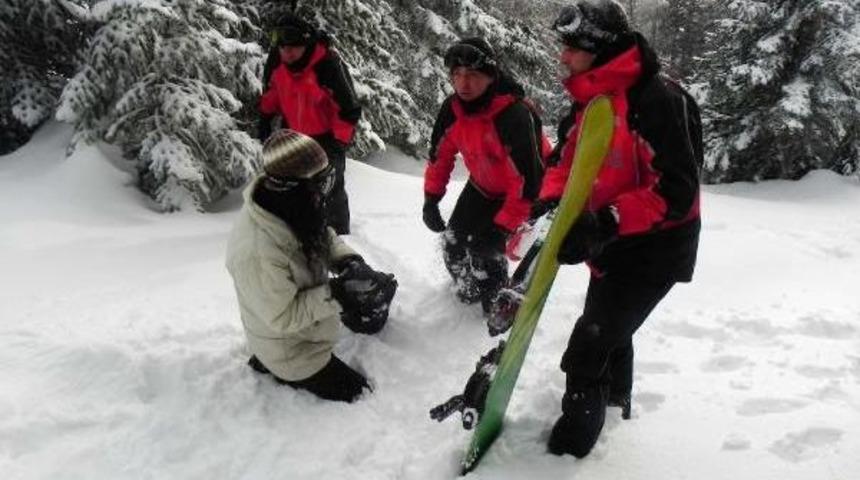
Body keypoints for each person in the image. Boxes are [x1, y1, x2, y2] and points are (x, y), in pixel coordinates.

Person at [539, 0, 702, 458]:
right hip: (609, 242)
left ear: (600, 51)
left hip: (657, 249)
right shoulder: (589, 100)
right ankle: (614, 403)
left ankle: (569, 451)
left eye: (572, 49)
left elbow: (677, 192)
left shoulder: (656, 101)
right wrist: (548, 204)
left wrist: (606, 219)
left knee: (589, 345)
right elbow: (565, 162)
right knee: (611, 329)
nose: (562, 58)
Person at [226, 129, 397, 403]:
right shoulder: (256, 250)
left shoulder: (289, 204)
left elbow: (320, 233)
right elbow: (283, 317)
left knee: (376, 295)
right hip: (291, 351)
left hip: (310, 327)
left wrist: (348, 262)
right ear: (295, 185)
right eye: (319, 183)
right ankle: (272, 367)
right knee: (362, 396)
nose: (324, 191)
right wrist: (338, 294)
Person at [422, 37, 548, 315]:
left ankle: (495, 301)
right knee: (453, 241)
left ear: (491, 77)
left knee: (486, 250)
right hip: (483, 185)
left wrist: (502, 228)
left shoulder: (514, 114)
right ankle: (466, 291)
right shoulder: (452, 109)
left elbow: (527, 182)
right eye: (457, 75)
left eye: (474, 75)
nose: (463, 84)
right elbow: (440, 157)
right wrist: (431, 198)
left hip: (523, 190)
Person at [259, 13, 361, 235]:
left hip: (326, 137)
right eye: (283, 47)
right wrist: (265, 118)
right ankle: (294, 231)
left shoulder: (327, 64)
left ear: (305, 43)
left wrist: (337, 145)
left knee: (331, 188)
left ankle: (339, 237)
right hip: (293, 134)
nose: (287, 53)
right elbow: (272, 92)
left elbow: (348, 110)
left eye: (293, 47)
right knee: (291, 186)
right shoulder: (277, 60)